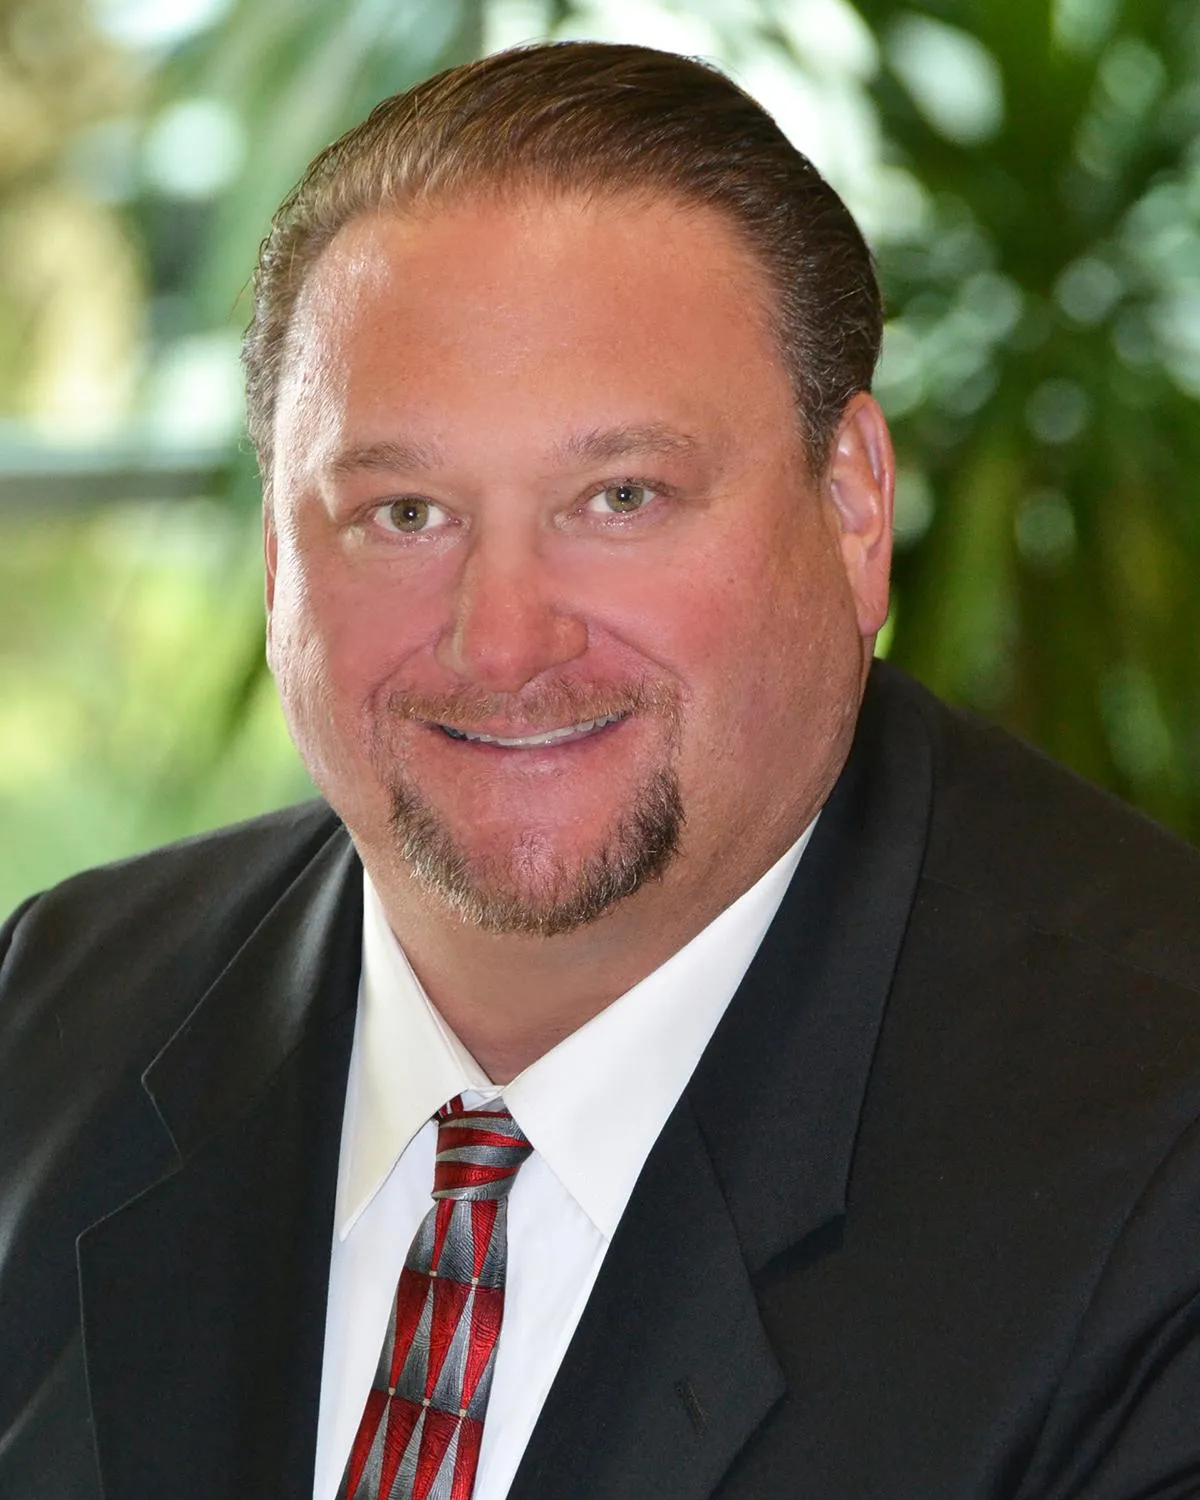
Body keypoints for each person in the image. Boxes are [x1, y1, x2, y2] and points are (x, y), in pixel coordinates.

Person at [3, 39, 1200, 1500]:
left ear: (852, 508)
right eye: (403, 512)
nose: (504, 640)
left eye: (620, 497)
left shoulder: (1159, 1140)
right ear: (275, 559)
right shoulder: (55, 1011)